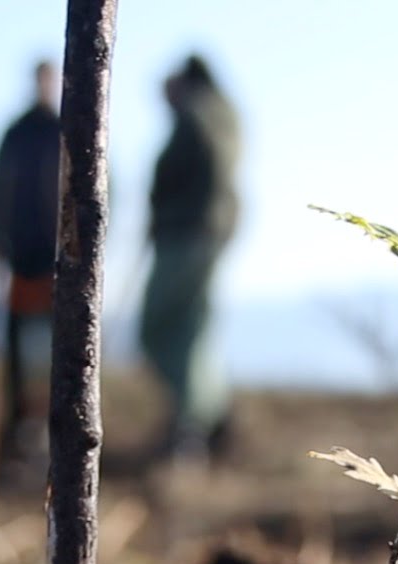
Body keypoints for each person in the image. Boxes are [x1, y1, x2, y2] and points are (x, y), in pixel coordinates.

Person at [140, 53, 242, 462]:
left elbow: (200, 170)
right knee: (193, 329)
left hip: (187, 237)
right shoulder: (223, 114)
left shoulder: (198, 116)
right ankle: (206, 418)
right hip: (206, 235)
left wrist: (172, 214)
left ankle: (193, 423)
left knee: (162, 329)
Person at [0, 60, 63, 463]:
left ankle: (56, 424)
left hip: (60, 261)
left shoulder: (67, 131)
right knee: (15, 346)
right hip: (21, 255)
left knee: (61, 347)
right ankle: (17, 425)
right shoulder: (15, 134)